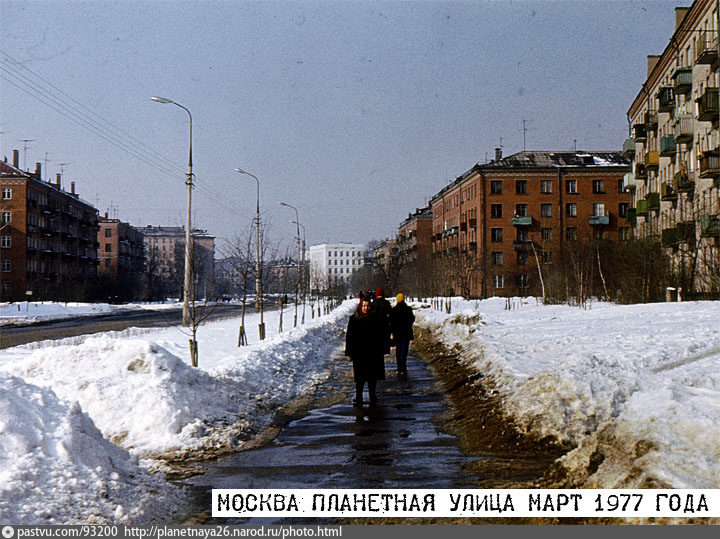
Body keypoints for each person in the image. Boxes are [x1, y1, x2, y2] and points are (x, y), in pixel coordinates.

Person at [344, 296, 385, 405]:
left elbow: (381, 335)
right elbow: (349, 337)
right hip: (359, 353)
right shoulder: (354, 319)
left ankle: (372, 396)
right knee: (359, 377)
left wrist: (382, 348)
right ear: (360, 306)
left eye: (367, 306)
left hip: (373, 352)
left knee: (372, 376)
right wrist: (348, 352)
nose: (365, 308)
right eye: (364, 306)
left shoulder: (375, 318)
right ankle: (359, 396)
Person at [390, 293, 415, 376]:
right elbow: (412, 319)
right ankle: (403, 366)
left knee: (398, 349)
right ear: (403, 299)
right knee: (404, 350)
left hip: (397, 333)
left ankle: (399, 367)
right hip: (406, 333)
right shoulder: (408, 309)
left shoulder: (394, 310)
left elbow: (391, 321)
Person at [372, 287, 392, 355]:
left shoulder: (374, 303)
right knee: (385, 341)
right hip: (385, 325)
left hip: (375, 325)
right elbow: (390, 314)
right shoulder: (386, 303)